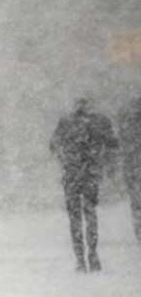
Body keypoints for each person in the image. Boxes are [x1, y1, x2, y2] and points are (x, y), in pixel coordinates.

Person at [50, 97, 117, 272]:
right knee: (90, 214)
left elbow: (53, 145)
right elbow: (112, 144)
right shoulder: (99, 121)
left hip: (72, 175)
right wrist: (105, 163)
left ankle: (80, 258)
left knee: (75, 217)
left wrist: (65, 159)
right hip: (90, 174)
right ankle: (92, 254)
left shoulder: (65, 122)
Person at [116, 96, 141, 246]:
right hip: (133, 168)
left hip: (132, 168)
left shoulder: (127, 124)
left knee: (136, 204)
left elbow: (122, 145)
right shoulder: (128, 125)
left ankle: (139, 232)